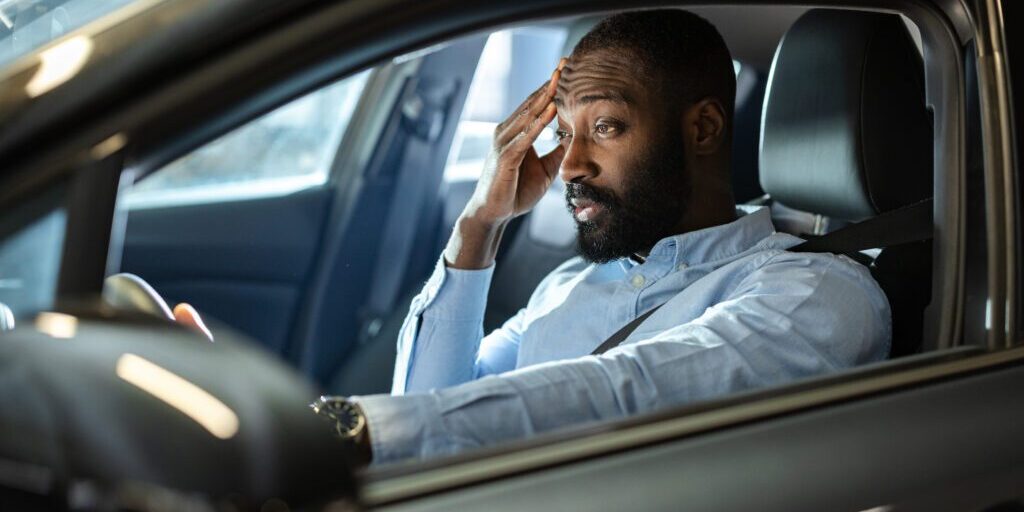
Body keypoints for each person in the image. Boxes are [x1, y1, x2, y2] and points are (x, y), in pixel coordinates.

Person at [182, 10, 891, 466]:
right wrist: (480, 224)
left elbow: (628, 393)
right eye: (563, 133)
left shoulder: (818, 294)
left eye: (606, 127)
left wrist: (312, 434)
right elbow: (430, 407)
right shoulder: (572, 286)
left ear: (702, 129)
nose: (572, 165)